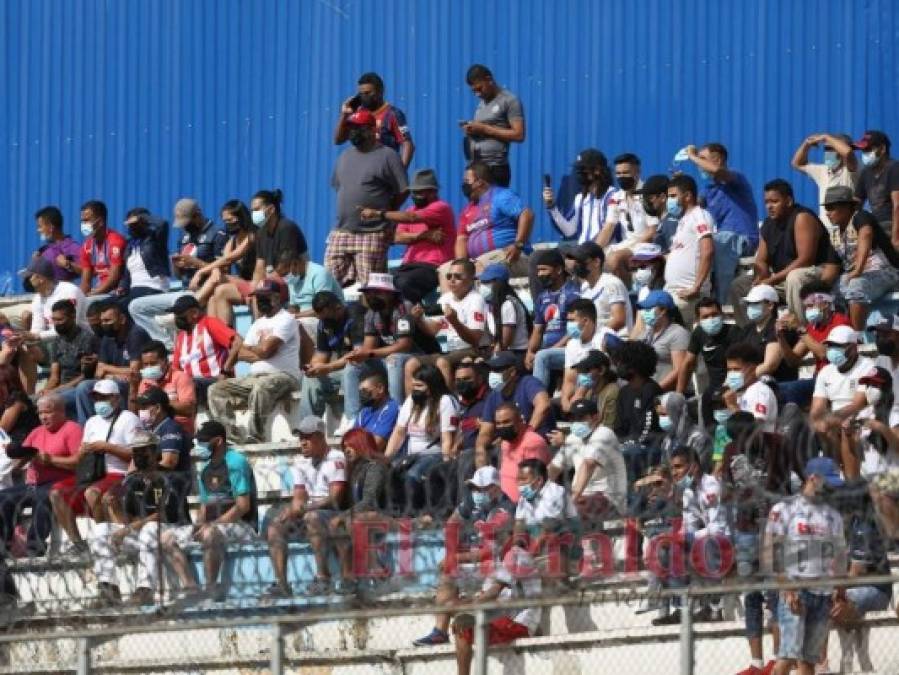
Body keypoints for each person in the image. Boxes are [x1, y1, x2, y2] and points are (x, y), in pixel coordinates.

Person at [412, 464, 516, 648]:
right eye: (474, 488)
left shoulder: (505, 510)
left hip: (497, 566)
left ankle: (462, 616)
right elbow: (452, 523)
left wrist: (457, 559)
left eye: (480, 488)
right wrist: (452, 554)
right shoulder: (473, 501)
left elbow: (490, 552)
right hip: (476, 561)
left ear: (495, 488)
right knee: (448, 574)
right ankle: (439, 632)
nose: (475, 492)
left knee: (453, 567)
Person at [86, 429, 192, 607]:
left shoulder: (172, 478)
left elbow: (163, 515)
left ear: (155, 452)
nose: (139, 455)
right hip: (145, 537)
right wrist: (115, 507)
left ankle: (145, 589)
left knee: (150, 529)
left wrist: (127, 529)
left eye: (144, 451)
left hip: (174, 530)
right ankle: (108, 588)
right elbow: (129, 519)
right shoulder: (132, 481)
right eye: (136, 451)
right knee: (101, 529)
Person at [763, 457, 847, 675]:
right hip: (796, 591)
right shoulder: (784, 508)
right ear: (813, 479)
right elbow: (772, 551)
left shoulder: (834, 516)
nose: (831, 488)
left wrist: (840, 592)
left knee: (809, 660)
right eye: (827, 482)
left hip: (823, 595)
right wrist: (786, 588)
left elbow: (840, 557)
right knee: (787, 657)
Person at [161, 421, 257, 602]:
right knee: (166, 538)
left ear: (218, 441)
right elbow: (205, 505)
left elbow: (243, 506)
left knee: (210, 533)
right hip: (213, 525)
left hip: (241, 525)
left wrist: (213, 524)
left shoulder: (235, 462)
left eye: (205, 441)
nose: (200, 446)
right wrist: (198, 525)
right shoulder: (205, 469)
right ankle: (191, 586)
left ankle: (211, 586)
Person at [732, 179, 839, 326]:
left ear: (788, 201)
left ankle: (800, 330)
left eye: (774, 201)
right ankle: (750, 334)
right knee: (739, 285)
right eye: (766, 202)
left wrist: (771, 280)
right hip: (781, 277)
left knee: (795, 277)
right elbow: (761, 259)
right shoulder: (769, 223)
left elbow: (805, 260)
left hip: (813, 272)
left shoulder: (802, 217)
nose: (769, 206)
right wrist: (761, 276)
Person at [50, 379, 140, 552]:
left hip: (118, 473)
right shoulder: (92, 422)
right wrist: (83, 452)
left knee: (93, 493)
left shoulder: (129, 419)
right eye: (96, 398)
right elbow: (80, 458)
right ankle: (78, 543)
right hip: (93, 473)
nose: (99, 402)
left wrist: (108, 448)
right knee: (56, 493)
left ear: (116, 398)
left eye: (104, 398)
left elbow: (137, 455)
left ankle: (103, 539)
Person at [207, 279, 300, 444]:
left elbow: (265, 350)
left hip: (284, 376)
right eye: (258, 297)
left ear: (277, 298)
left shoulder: (287, 319)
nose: (260, 301)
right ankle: (231, 436)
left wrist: (257, 350)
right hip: (255, 376)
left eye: (265, 297)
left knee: (261, 387)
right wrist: (260, 352)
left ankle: (256, 436)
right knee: (216, 389)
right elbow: (241, 352)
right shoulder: (258, 323)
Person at [265, 416, 347, 598]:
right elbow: (298, 499)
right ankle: (282, 583)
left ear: (320, 437)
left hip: (331, 514)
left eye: (307, 437)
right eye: (300, 437)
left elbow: (335, 498)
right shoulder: (301, 464)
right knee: (275, 527)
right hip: (310, 512)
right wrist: (290, 512)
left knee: (312, 517)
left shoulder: (336, 458)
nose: (302, 442)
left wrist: (306, 508)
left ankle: (323, 578)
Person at [326, 110, 409, 288]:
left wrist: (384, 214)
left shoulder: (388, 156)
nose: (353, 132)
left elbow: (403, 190)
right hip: (342, 231)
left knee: (372, 289)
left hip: (372, 233)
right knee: (328, 286)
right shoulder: (345, 156)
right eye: (351, 128)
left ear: (373, 129)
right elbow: (339, 187)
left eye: (358, 128)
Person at [129, 198, 227, 344]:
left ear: (197, 215)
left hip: (206, 291)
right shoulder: (185, 238)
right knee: (136, 306)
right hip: (184, 290)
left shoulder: (217, 234)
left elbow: (224, 269)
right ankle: (167, 345)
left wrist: (196, 263)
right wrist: (176, 265)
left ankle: (172, 337)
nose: (184, 227)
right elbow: (179, 276)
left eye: (187, 223)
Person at [0, 394, 80, 556]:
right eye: (40, 413)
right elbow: (23, 456)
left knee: (43, 496)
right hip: (34, 483)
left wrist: (50, 460)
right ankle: (5, 544)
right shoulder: (36, 431)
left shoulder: (72, 429)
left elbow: (77, 462)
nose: (43, 417)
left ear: (61, 411)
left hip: (62, 481)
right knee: (2, 497)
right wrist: (14, 457)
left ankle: (34, 547)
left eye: (48, 412)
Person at [361, 168, 455, 303]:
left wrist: (379, 214)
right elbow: (397, 237)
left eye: (419, 192)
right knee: (378, 288)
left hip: (432, 266)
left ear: (433, 192)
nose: (415, 196)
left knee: (404, 284)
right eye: (413, 192)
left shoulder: (440, 208)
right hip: (408, 265)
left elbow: (411, 218)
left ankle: (408, 320)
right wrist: (424, 235)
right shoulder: (410, 209)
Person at [354, 273, 438, 408]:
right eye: (368, 292)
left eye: (376, 292)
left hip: (421, 354)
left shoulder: (403, 307)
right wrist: (357, 355)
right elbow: (368, 346)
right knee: (353, 366)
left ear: (390, 294)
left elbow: (404, 346)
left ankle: (396, 410)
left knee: (394, 359)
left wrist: (368, 353)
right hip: (394, 356)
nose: (371, 296)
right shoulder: (372, 313)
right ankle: (353, 416)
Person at [384, 364, 458, 516]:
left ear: (431, 386)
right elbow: (399, 432)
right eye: (413, 385)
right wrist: (386, 457)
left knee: (413, 476)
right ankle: (398, 514)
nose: (414, 389)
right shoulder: (411, 401)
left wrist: (447, 463)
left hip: (434, 453)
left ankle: (415, 514)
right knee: (392, 474)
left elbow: (446, 438)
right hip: (412, 454)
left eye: (419, 386)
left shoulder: (445, 401)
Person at [823, 185, 899, 330]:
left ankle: (855, 338)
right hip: (859, 275)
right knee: (831, 293)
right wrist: (817, 288)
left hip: (887, 271)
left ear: (846, 207)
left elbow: (866, 235)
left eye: (831, 207)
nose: (828, 213)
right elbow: (832, 267)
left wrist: (858, 270)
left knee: (856, 286)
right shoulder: (834, 235)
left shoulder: (860, 216)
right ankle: (840, 333)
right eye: (827, 208)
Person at [408, 258, 490, 387]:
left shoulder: (476, 299)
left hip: (471, 350)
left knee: (442, 362)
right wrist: (419, 320)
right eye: (449, 276)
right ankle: (411, 406)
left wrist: (455, 321)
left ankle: (448, 402)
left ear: (470, 279)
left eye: (457, 276)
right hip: (449, 351)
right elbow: (432, 330)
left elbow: (475, 339)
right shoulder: (445, 298)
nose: (452, 280)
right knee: (411, 363)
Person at [329, 428, 389, 594]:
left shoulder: (375, 467)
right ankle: (348, 576)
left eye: (350, 446)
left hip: (387, 514)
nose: (346, 451)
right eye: (344, 447)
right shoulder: (354, 471)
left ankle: (376, 570)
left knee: (354, 521)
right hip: (363, 514)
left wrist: (343, 515)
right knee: (337, 524)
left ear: (361, 445)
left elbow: (369, 500)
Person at [811, 326, 876, 473]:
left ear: (853, 347)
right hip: (836, 422)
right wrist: (819, 421)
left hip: (862, 417)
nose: (832, 350)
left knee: (847, 426)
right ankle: (835, 476)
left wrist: (830, 420)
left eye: (838, 346)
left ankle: (851, 481)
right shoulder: (825, 372)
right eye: (830, 345)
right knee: (819, 427)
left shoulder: (868, 367)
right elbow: (817, 408)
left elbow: (858, 404)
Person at [547, 399, 627, 521]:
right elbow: (554, 468)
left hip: (609, 499)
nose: (576, 422)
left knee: (572, 510)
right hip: (582, 498)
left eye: (581, 418)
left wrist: (572, 500)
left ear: (596, 417)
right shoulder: (573, 438)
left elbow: (588, 465)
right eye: (573, 418)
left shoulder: (604, 434)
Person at [453, 161, 533, 281]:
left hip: (512, 256)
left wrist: (518, 244)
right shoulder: (467, 209)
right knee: (446, 272)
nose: (464, 185)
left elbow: (527, 214)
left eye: (467, 181)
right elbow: (461, 238)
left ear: (480, 182)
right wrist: (461, 264)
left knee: (478, 268)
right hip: (478, 261)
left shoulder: (501, 196)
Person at [777, 281, 851, 407]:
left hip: (836, 378)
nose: (808, 310)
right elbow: (792, 360)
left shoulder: (840, 322)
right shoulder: (812, 327)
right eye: (806, 306)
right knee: (774, 389)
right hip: (820, 380)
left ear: (826, 303)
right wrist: (780, 337)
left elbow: (824, 354)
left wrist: (800, 328)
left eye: (811, 306)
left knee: (791, 389)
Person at [73, 301, 149, 424]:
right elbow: (99, 372)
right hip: (113, 380)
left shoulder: (136, 334)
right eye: (102, 321)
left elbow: (135, 371)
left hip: (135, 383)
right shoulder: (107, 337)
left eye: (108, 321)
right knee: (84, 387)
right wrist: (111, 373)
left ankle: (123, 425)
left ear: (122, 319)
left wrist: (107, 369)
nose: (103, 325)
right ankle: (88, 430)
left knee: (116, 385)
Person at [299, 291, 366, 429]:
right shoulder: (324, 323)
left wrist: (327, 368)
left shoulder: (354, 314)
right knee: (310, 379)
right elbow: (321, 354)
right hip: (342, 369)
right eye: (321, 318)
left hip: (365, 368)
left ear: (338, 307)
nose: (325, 321)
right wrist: (314, 367)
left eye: (327, 317)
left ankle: (351, 422)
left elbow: (358, 354)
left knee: (350, 371)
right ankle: (307, 429)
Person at [475, 352, 553, 466]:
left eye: (498, 370)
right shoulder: (493, 396)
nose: (492, 374)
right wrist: (480, 448)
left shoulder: (528, 383)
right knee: (470, 455)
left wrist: (527, 433)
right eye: (491, 370)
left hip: (538, 444)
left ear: (512, 372)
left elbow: (543, 405)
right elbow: (485, 432)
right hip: (508, 446)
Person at [685, 142, 759, 252]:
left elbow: (717, 171)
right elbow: (691, 206)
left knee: (709, 246)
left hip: (742, 239)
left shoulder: (736, 178)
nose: (699, 166)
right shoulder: (708, 190)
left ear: (718, 160)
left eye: (702, 159)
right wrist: (681, 186)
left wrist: (692, 156)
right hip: (722, 241)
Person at [663, 174, 716, 327]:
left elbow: (708, 251)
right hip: (672, 291)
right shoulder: (683, 220)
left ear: (687, 196)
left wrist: (696, 287)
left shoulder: (699, 216)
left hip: (689, 294)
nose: (669, 201)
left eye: (673, 196)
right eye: (668, 196)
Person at [169, 295, 242, 404]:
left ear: (194, 313)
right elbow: (176, 369)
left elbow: (238, 342)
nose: (177, 317)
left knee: (188, 384)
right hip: (192, 386)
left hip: (215, 381)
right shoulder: (180, 337)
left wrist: (225, 370)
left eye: (180, 314)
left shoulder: (209, 324)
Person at [461, 64, 525, 187]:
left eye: (479, 88)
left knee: (494, 205)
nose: (477, 94)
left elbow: (519, 135)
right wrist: (472, 130)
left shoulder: (509, 101)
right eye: (474, 91)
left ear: (489, 79)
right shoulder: (481, 104)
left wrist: (484, 129)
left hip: (495, 168)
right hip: (477, 167)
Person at [598, 153, 660, 280]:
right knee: (586, 261)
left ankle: (624, 295)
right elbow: (608, 227)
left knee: (614, 258)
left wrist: (630, 248)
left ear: (637, 172)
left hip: (646, 246)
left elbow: (652, 232)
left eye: (626, 173)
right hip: (627, 244)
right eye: (618, 173)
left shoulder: (648, 195)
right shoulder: (616, 198)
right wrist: (593, 250)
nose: (621, 177)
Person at [526, 248, 581, 386]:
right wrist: (529, 352)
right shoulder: (542, 297)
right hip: (547, 348)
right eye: (538, 270)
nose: (539, 274)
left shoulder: (573, 294)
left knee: (542, 357)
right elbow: (538, 330)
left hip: (569, 347)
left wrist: (553, 348)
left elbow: (575, 330)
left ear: (558, 270)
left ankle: (538, 399)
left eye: (544, 269)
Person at [334, 71, 414, 167]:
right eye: (361, 94)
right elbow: (338, 140)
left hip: (383, 171)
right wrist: (344, 115)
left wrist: (400, 172)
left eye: (368, 93)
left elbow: (407, 144)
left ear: (380, 92)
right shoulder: (358, 114)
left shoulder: (393, 114)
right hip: (361, 171)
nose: (364, 97)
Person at [198, 200, 258, 326]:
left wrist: (201, 272)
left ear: (241, 217)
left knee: (219, 286)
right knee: (213, 298)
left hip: (256, 284)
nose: (228, 225)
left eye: (231, 220)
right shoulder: (233, 240)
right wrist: (215, 269)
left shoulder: (252, 236)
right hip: (243, 284)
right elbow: (222, 262)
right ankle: (218, 338)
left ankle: (193, 304)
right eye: (225, 222)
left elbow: (229, 258)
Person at [612, 340, 662, 483]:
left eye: (621, 363)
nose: (618, 367)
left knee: (628, 453)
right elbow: (620, 428)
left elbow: (648, 431)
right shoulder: (624, 392)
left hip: (650, 447)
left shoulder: (651, 390)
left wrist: (626, 445)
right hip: (629, 445)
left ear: (634, 365)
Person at [41, 299, 100, 419]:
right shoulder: (57, 342)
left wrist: (57, 390)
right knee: (32, 401)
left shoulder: (88, 339)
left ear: (72, 317)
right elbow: (54, 376)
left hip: (79, 387)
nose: (56, 323)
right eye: (54, 320)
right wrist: (45, 390)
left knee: (54, 401)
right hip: (60, 387)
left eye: (60, 319)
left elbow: (86, 375)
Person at [544, 148, 616, 243]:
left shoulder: (612, 196)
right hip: (582, 250)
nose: (579, 173)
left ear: (597, 170)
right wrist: (552, 207)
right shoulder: (581, 198)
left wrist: (590, 253)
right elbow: (569, 231)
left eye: (583, 169)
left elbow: (610, 229)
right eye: (578, 169)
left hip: (604, 251)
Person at [677, 297, 741, 402]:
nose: (711, 319)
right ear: (698, 320)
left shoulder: (734, 332)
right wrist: (678, 395)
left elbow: (741, 365)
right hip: (713, 389)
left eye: (714, 314)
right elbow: (687, 364)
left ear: (721, 314)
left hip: (734, 388)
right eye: (705, 317)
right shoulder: (698, 333)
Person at [733, 284, 798, 384]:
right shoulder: (747, 330)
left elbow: (770, 365)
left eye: (755, 303)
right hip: (752, 384)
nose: (750, 307)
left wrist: (743, 378)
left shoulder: (779, 327)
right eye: (748, 304)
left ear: (770, 305)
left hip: (777, 385)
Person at [791, 133, 858, 227]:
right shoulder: (823, 171)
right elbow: (797, 163)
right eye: (827, 149)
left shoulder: (851, 171)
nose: (829, 153)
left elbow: (848, 152)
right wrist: (807, 144)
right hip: (826, 230)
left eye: (833, 149)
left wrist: (825, 137)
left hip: (848, 229)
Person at [559, 299, 614, 414]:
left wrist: (578, 396)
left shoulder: (605, 337)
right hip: (583, 394)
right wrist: (565, 400)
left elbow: (595, 373)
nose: (569, 325)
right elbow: (569, 379)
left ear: (585, 321)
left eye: (572, 320)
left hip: (603, 390)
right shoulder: (571, 344)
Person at [565, 241, 631, 333]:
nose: (577, 265)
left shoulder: (611, 283)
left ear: (596, 262)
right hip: (594, 341)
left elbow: (619, 320)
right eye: (576, 261)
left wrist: (595, 337)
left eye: (581, 261)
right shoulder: (585, 288)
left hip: (616, 339)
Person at [132, 342, 196, 436]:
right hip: (151, 429)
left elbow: (189, 409)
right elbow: (137, 410)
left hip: (179, 429)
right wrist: (133, 386)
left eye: (153, 363)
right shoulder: (145, 381)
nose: (149, 367)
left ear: (165, 361)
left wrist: (160, 402)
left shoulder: (181, 378)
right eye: (146, 364)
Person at [248, 189, 309, 286]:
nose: (253, 214)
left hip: (293, 282)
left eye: (257, 209)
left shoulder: (286, 227)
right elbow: (260, 265)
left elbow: (285, 265)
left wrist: (264, 284)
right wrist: (254, 287)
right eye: (252, 211)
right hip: (271, 282)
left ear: (271, 209)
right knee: (222, 291)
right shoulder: (260, 232)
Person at [492, 403, 550, 502]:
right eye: (498, 423)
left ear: (520, 421)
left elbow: (535, 483)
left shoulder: (532, 442)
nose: (502, 426)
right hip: (502, 503)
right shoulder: (505, 443)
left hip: (522, 506)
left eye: (506, 422)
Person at [634, 290, 690, 392]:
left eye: (649, 308)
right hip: (646, 393)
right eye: (644, 309)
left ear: (663, 310)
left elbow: (679, 369)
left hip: (665, 394)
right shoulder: (646, 334)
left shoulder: (678, 333)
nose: (645, 312)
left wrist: (654, 390)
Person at [117, 207, 172, 311]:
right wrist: (122, 286)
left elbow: (163, 224)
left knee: (123, 307)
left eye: (135, 224)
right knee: (107, 306)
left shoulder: (155, 240)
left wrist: (143, 217)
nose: (132, 227)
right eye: (130, 225)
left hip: (154, 288)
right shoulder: (130, 245)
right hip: (134, 289)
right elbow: (127, 273)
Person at [853, 130, 899, 248]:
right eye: (863, 150)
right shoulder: (866, 173)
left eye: (868, 150)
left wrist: (895, 238)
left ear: (882, 149)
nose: (864, 154)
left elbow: (897, 205)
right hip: (875, 226)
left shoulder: (894, 168)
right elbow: (855, 204)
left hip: (891, 225)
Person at [722, 342, 779, 433]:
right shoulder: (736, 393)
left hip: (759, 445)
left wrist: (733, 407)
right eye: (729, 370)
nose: (731, 374)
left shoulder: (760, 392)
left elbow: (755, 428)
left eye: (736, 369)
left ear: (752, 369)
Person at [78, 200, 126, 303]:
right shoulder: (87, 246)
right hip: (99, 292)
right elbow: (86, 282)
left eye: (87, 220)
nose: (83, 224)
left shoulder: (115, 241)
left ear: (100, 222)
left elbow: (114, 277)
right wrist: (79, 298)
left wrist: (93, 294)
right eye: (82, 221)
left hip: (117, 292)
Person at [479, 263, 531, 355]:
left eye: (486, 282)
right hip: (507, 351)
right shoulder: (494, 305)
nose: (482, 286)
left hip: (518, 352)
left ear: (498, 283)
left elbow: (505, 342)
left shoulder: (508, 304)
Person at [32, 205, 82, 283]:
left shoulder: (72, 247)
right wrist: (35, 264)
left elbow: (87, 271)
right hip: (46, 293)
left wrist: (68, 265)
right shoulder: (43, 250)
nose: (38, 230)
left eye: (40, 227)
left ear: (51, 227)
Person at [352, 370, 399, 453]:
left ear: (380, 388)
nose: (362, 395)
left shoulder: (392, 409)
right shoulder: (365, 411)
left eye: (365, 391)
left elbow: (376, 445)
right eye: (360, 392)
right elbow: (351, 440)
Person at [570, 350, 619, 427]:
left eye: (586, 370)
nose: (582, 374)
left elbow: (608, 425)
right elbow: (575, 410)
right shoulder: (589, 391)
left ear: (602, 370)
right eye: (581, 371)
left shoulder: (612, 391)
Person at [871, 312, 899, 428]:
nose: (881, 339)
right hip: (885, 412)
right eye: (878, 335)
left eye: (886, 334)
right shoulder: (881, 360)